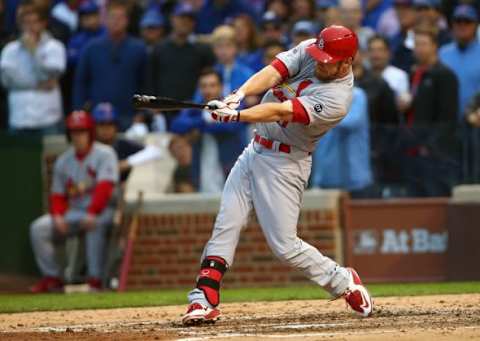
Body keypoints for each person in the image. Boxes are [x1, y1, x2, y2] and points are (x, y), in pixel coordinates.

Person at [181, 25, 373, 325]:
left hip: (285, 164)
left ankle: (342, 280)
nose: (320, 62)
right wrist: (238, 95)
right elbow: (274, 71)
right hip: (255, 148)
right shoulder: (313, 49)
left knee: (284, 246)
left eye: (328, 60)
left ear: (346, 63)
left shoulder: (338, 98)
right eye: (319, 56)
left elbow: (281, 111)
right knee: (227, 221)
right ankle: (203, 298)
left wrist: (239, 115)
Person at [29, 111, 119, 293]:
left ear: (90, 133)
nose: (78, 136)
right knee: (39, 228)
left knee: (94, 224)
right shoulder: (64, 160)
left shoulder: (105, 153)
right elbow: (57, 195)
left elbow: (105, 187)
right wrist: (58, 216)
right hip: (75, 212)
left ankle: (95, 279)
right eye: (74, 132)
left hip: (101, 211)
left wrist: (93, 212)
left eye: (82, 131)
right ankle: (53, 277)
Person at [402, 25, 459, 197]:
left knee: (435, 197)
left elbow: (448, 116)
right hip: (413, 148)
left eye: (423, 44)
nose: (419, 49)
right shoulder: (414, 73)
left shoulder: (445, 75)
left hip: (436, 153)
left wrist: (430, 146)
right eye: (416, 44)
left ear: (434, 46)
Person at [73, 0, 147, 131]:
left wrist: (142, 113)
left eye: (120, 17)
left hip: (129, 115)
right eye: (112, 17)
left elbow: (146, 83)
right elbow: (81, 82)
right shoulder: (91, 47)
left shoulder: (139, 48)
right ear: (105, 20)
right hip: (98, 116)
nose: (116, 21)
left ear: (127, 20)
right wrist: (80, 110)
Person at [170, 69, 247, 193]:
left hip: (229, 168)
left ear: (221, 87)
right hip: (201, 168)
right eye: (204, 86)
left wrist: (199, 126)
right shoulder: (195, 109)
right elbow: (177, 125)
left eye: (212, 85)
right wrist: (206, 120)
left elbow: (231, 126)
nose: (208, 90)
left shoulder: (233, 106)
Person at [0, 4, 66, 134]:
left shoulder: (55, 47)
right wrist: (36, 84)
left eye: (34, 22)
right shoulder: (10, 50)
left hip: (48, 119)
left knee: (52, 154)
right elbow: (7, 81)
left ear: (43, 23)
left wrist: (33, 52)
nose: (29, 26)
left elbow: (51, 76)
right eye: (25, 22)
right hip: (19, 118)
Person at [146, 3, 215, 118]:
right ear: (172, 19)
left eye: (189, 19)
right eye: (181, 18)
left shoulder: (202, 50)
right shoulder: (159, 49)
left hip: (193, 109)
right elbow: (150, 79)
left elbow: (209, 78)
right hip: (164, 109)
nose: (185, 22)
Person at [312, 86, 372, 197]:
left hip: (353, 176)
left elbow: (351, 121)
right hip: (326, 175)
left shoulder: (357, 95)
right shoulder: (319, 97)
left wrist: (323, 115)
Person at [92, 102, 162, 186]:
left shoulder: (122, 144)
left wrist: (127, 163)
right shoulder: (90, 147)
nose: (106, 129)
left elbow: (155, 151)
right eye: (101, 124)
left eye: (110, 124)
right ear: (95, 127)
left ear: (116, 126)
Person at [439, 4, 480, 119]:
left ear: (476, 25)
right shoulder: (442, 53)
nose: (462, 25)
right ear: (452, 25)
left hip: (475, 121)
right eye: (458, 21)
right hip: (446, 123)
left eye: (467, 21)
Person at [367, 35, 411, 112]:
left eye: (380, 50)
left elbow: (404, 104)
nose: (375, 54)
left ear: (388, 53)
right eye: (372, 50)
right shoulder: (362, 75)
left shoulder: (400, 76)